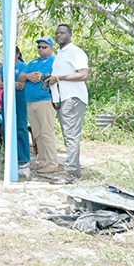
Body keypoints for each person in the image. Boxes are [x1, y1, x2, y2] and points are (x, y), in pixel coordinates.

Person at [45, 24, 90, 185]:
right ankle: (75, 171)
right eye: (57, 33)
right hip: (62, 99)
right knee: (68, 136)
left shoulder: (75, 52)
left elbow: (84, 74)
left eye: (62, 32)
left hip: (73, 98)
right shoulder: (61, 54)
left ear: (70, 35)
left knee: (71, 136)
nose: (59, 35)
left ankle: (69, 173)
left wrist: (58, 78)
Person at [18, 38, 58, 174]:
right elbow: (21, 76)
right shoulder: (33, 62)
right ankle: (42, 161)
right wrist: (27, 76)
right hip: (30, 100)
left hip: (44, 100)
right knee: (37, 133)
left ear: (51, 48)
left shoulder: (53, 61)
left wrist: (30, 76)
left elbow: (41, 76)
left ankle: (52, 163)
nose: (41, 49)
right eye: (39, 47)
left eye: (44, 47)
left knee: (47, 132)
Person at [0, 47, 31, 169]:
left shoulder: (23, 66)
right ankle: (10, 156)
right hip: (7, 97)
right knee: (7, 126)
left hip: (20, 98)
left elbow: (21, 84)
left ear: (18, 54)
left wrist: (8, 83)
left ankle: (23, 158)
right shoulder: (4, 67)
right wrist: (11, 84)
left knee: (21, 126)